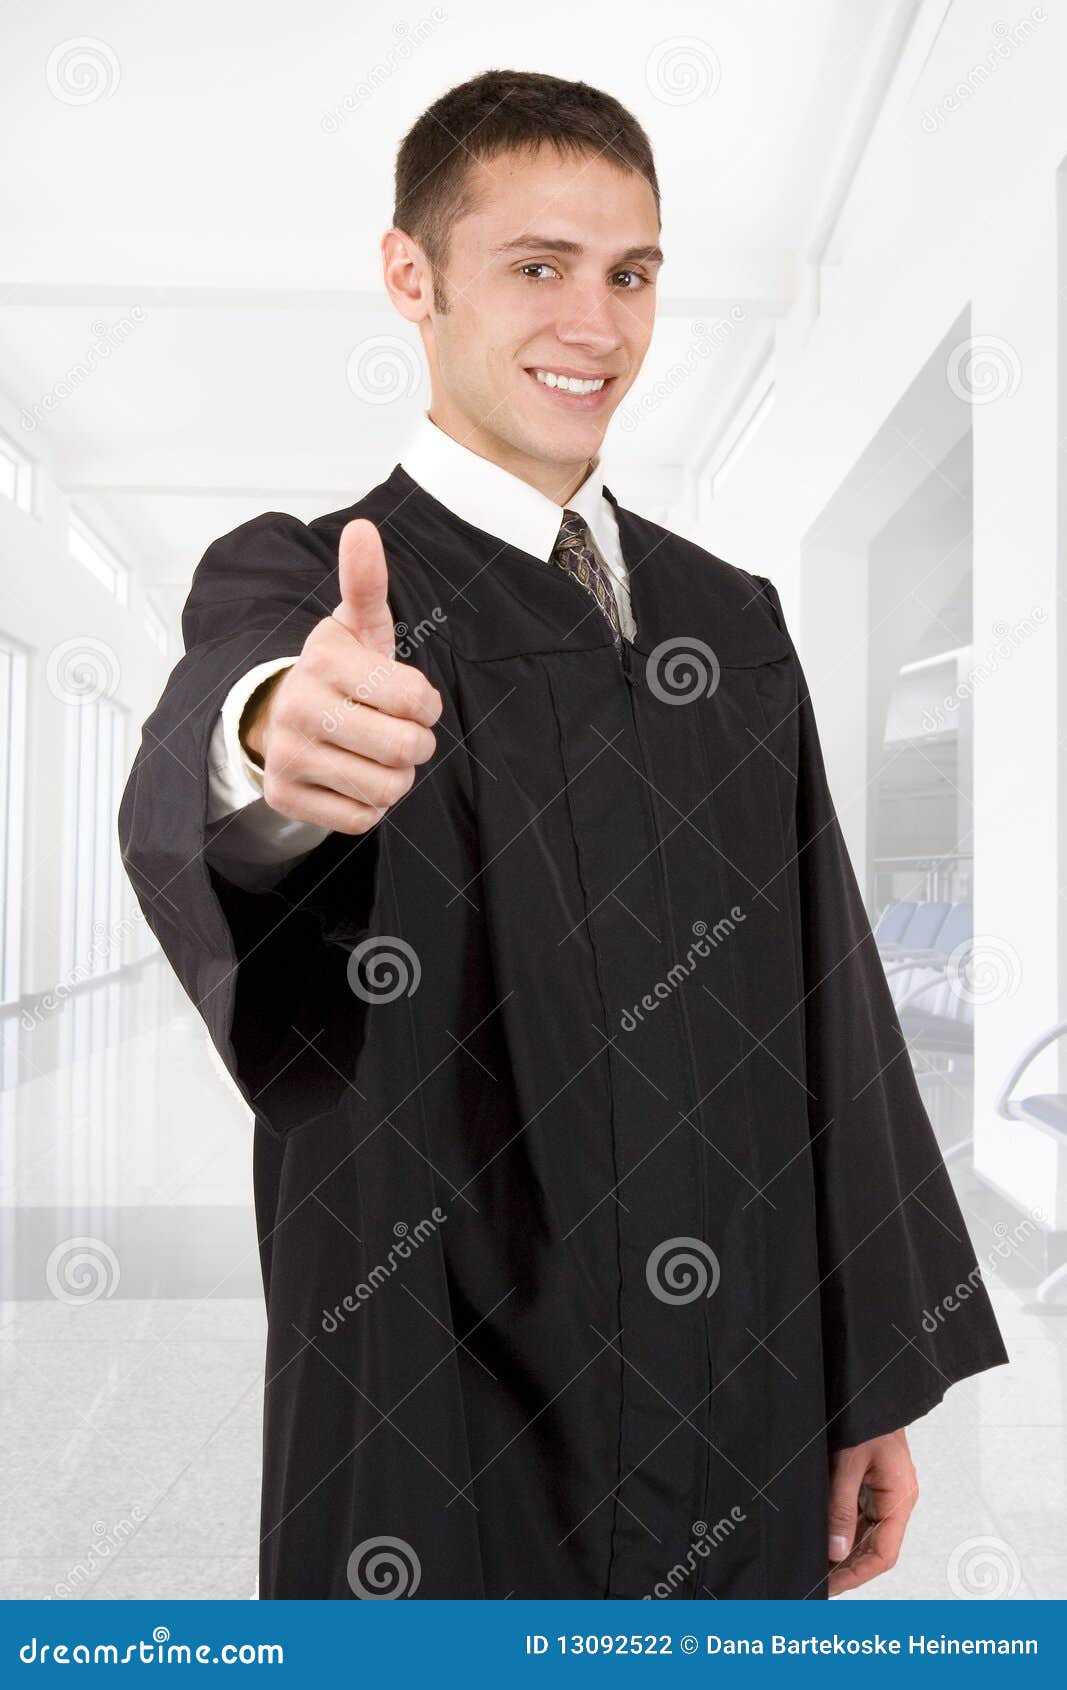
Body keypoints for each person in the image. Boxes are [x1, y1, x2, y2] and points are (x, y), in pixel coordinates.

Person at [118, 68, 1008, 1601]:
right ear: (414, 276)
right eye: (537, 266)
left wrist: (871, 1372)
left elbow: (831, 1006)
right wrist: (274, 732)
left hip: (744, 1388)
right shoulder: (312, 586)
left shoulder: (729, 626)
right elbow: (230, 719)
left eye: (633, 274)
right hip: (438, 1400)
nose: (594, 326)